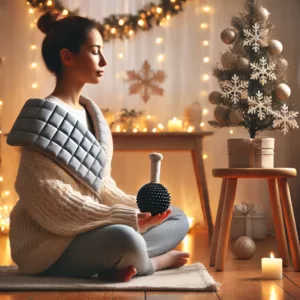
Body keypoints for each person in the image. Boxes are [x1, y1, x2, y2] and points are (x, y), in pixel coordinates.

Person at [6, 10, 190, 282]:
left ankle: (122, 261)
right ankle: (152, 263)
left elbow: (102, 186)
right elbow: (47, 195)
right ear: (67, 57)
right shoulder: (42, 119)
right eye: (95, 52)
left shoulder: (92, 114)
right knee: (124, 238)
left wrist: (139, 212)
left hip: (93, 229)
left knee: (177, 217)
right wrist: (121, 218)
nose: (104, 60)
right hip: (52, 243)